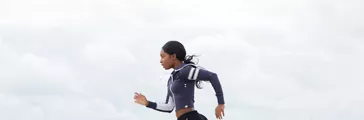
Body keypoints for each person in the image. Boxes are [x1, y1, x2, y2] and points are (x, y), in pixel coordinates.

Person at [134, 40, 225, 120]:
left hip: (190, 117)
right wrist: (147, 103)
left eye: (163, 56)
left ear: (173, 56)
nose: (160, 61)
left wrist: (220, 104)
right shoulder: (171, 79)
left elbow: (212, 76)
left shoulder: (185, 71)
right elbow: (169, 107)